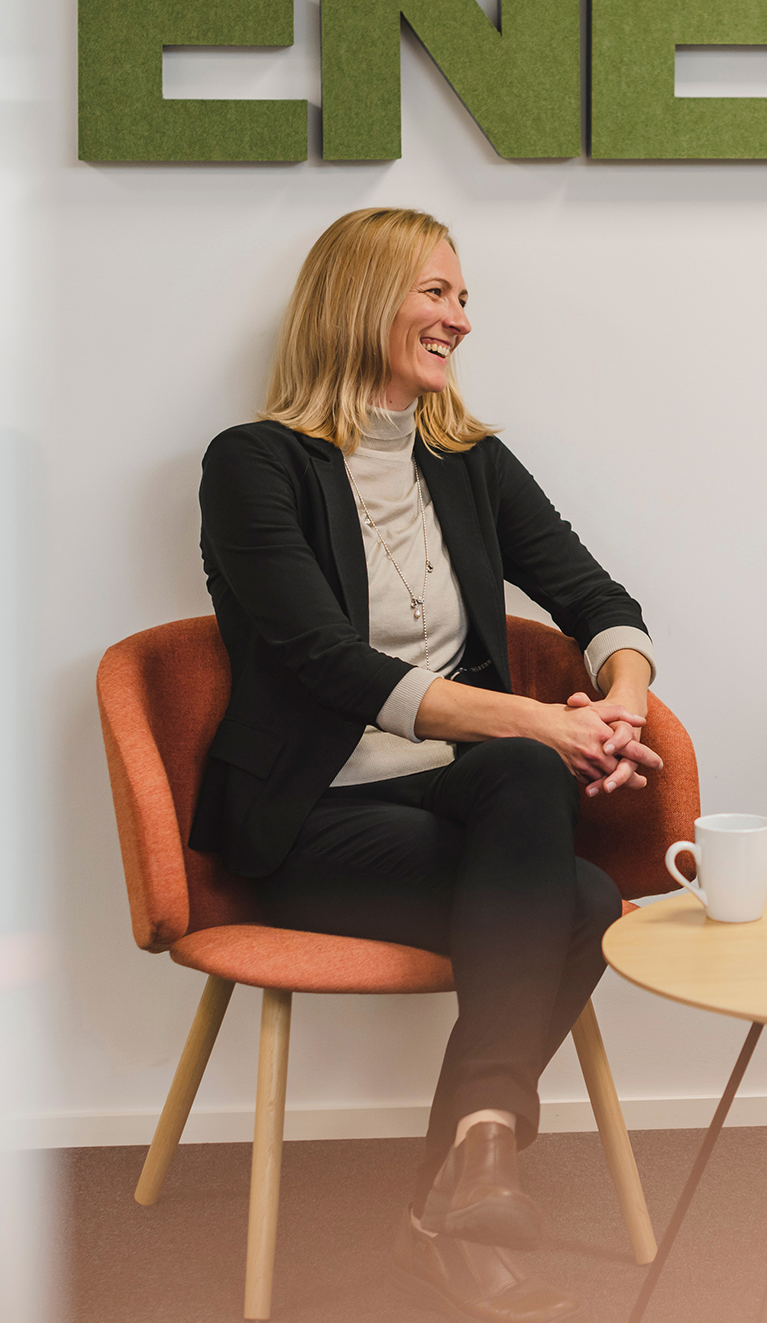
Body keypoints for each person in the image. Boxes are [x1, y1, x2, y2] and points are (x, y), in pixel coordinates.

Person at [192, 207, 660, 1323]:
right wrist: (533, 720)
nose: (458, 318)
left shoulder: (466, 461)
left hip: (461, 801)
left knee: (536, 787)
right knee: (580, 895)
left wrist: (618, 710)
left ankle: (468, 1172)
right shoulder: (254, 465)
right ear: (361, 298)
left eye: (463, 298)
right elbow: (323, 659)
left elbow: (601, 602)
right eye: (435, 293)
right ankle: (463, 1196)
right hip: (316, 819)